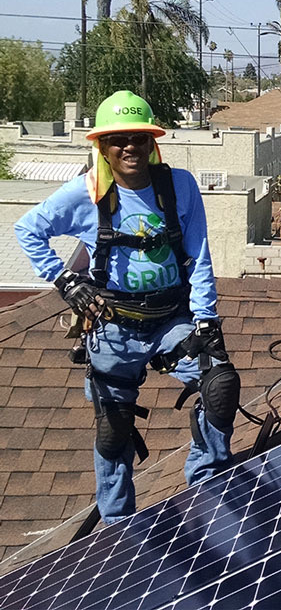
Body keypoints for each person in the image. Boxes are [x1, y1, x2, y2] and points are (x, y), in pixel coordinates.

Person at [15, 91, 238, 524]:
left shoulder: (178, 187)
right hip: (114, 326)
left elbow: (200, 255)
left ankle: (209, 480)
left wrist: (206, 318)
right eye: (118, 139)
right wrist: (65, 281)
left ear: (152, 141)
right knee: (113, 428)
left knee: (219, 386)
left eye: (138, 137)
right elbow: (29, 230)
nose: (129, 146)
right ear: (102, 146)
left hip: (171, 320)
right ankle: (117, 527)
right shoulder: (86, 194)